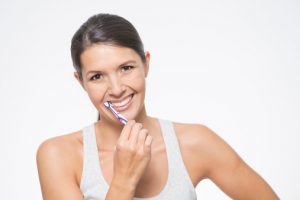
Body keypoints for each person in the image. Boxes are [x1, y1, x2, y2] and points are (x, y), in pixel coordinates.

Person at [36, 13, 279, 200]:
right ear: (81, 82)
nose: (117, 88)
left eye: (126, 68)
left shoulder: (194, 142)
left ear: (146, 64)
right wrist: (123, 180)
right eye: (97, 76)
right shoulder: (59, 155)